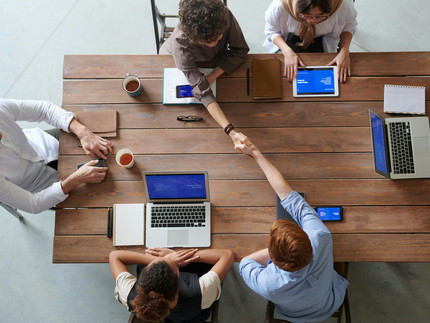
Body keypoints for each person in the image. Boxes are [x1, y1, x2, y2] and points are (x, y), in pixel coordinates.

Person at [235, 138, 349, 322]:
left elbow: (246, 262)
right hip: (331, 302)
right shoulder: (320, 237)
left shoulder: (268, 284)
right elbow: (291, 197)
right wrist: (256, 153)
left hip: (293, 315)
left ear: (272, 258)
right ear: (307, 241)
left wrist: (255, 154)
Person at [160, 0, 250, 146]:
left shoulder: (222, 16)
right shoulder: (180, 44)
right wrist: (230, 131)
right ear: (194, 38)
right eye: (210, 40)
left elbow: (240, 50)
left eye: (219, 33)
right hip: (175, 58)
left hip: (213, 61)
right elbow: (202, 90)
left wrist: (213, 75)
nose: (220, 38)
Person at [0, 99, 112, 214]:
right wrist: (76, 179)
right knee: (99, 201)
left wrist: (83, 132)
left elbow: (44, 110)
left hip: (46, 142)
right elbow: (32, 204)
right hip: (44, 187)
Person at [109, 248, 234, 322]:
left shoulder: (129, 295)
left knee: (148, 253)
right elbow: (228, 254)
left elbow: (115, 256)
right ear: (179, 279)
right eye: (176, 268)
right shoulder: (201, 292)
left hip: (167, 317)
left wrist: (166, 259)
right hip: (193, 315)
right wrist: (178, 255)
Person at [264, 0, 357, 82]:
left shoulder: (343, 4)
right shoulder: (281, 5)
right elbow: (272, 30)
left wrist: (344, 51)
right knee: (288, 76)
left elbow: (348, 28)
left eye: (320, 16)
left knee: (324, 76)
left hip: (322, 38)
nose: (313, 21)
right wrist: (287, 51)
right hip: (290, 38)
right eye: (307, 16)